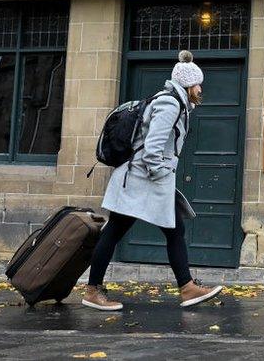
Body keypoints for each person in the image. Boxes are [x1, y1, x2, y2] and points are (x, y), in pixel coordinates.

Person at [83, 50, 223, 311]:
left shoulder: (176, 103)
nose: (200, 88)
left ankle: (187, 287)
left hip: (143, 180)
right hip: (140, 180)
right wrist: (161, 177)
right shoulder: (170, 104)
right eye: (198, 83)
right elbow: (152, 149)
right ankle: (93, 290)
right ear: (188, 84)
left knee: (169, 230)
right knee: (119, 230)